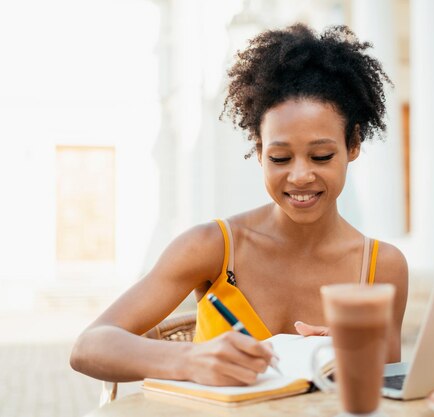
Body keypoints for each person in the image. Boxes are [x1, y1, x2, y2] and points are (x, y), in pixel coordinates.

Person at [70, 23, 408, 387]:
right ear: (259, 152)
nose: (299, 176)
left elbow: (384, 389)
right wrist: (190, 360)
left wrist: (350, 359)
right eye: (279, 158)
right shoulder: (213, 247)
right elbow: (90, 346)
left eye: (321, 156)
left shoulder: (381, 268)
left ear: (353, 145)